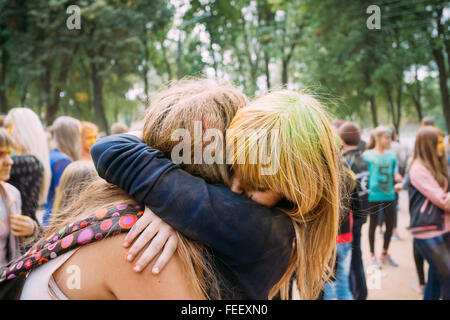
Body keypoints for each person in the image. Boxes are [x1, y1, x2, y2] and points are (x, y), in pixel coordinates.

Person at [1, 79, 290, 300]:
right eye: (242, 163)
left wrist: (167, 192)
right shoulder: (149, 249)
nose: (245, 190)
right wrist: (172, 195)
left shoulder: (130, 203)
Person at [408, 126, 450, 299]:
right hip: (428, 232)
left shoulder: (438, 164)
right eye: (439, 142)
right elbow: (442, 201)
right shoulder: (418, 169)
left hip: (444, 228)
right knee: (447, 275)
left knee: (436, 276)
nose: (443, 145)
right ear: (428, 144)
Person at [4, 108, 50, 237]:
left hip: (19, 236)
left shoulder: (27, 162)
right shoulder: (32, 161)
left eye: (8, 127)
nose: (5, 131)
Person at [338, 121, 369, 300]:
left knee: (350, 262)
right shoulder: (363, 158)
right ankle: (361, 292)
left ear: (341, 139)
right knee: (356, 257)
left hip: (350, 219)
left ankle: (357, 293)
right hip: (361, 214)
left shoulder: (345, 162)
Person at [364, 126, 402, 268]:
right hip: (373, 195)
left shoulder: (392, 155)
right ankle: (372, 255)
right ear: (378, 138)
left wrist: (398, 178)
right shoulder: (367, 155)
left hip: (389, 194)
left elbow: (394, 173)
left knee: (390, 224)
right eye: (387, 137)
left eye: (390, 137)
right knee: (373, 225)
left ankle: (385, 253)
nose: (389, 140)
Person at [43, 116, 81, 228]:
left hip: (50, 218)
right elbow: (64, 199)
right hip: (58, 223)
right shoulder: (62, 161)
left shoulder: (51, 155)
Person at [0, 129, 29, 266]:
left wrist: (31, 230)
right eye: (0, 154)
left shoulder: (12, 194)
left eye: (9, 154)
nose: (9, 161)